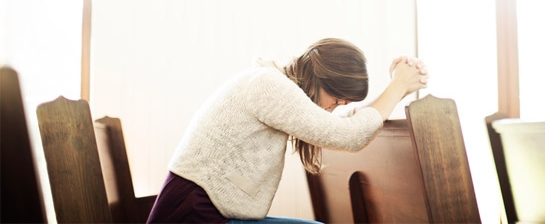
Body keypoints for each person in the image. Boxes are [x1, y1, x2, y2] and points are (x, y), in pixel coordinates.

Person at [146, 37, 429, 224]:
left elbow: (343, 125)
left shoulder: (273, 82)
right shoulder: (269, 86)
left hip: (202, 210)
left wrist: (398, 88)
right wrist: (398, 86)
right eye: (337, 101)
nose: (334, 109)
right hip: (193, 214)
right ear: (321, 80)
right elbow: (348, 134)